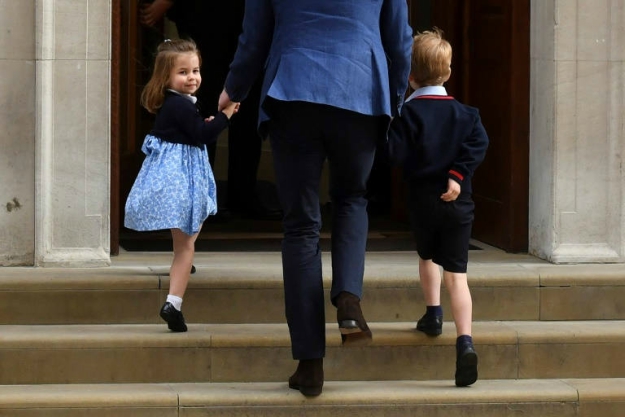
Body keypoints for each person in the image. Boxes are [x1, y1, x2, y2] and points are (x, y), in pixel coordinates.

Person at [218, 0, 413, 397]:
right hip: (361, 88)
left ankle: (309, 366)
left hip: (293, 90)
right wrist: (391, 101)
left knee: (301, 227)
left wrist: (233, 90)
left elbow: (253, 40)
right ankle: (347, 297)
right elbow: (400, 41)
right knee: (351, 200)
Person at [387, 29, 489, 387]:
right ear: (447, 72)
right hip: (458, 204)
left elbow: (394, 154)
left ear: (410, 76)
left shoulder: (408, 115)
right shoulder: (467, 115)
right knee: (457, 274)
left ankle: (432, 314)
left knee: (427, 255)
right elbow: (479, 144)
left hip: (422, 202)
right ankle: (465, 342)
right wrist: (458, 176)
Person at [125, 39, 239, 332]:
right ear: (166, 77)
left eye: (196, 70)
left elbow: (193, 131)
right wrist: (225, 117)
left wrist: (207, 122)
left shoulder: (177, 104)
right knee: (186, 245)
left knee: (185, 242)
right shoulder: (180, 106)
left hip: (176, 178)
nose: (192, 78)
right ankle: (173, 303)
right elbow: (202, 135)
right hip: (183, 181)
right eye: (183, 72)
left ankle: (182, 272)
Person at [140, 0, 281, 220]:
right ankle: (200, 198)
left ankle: (241, 195)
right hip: (206, 16)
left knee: (245, 103)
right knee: (199, 99)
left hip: (240, 14)